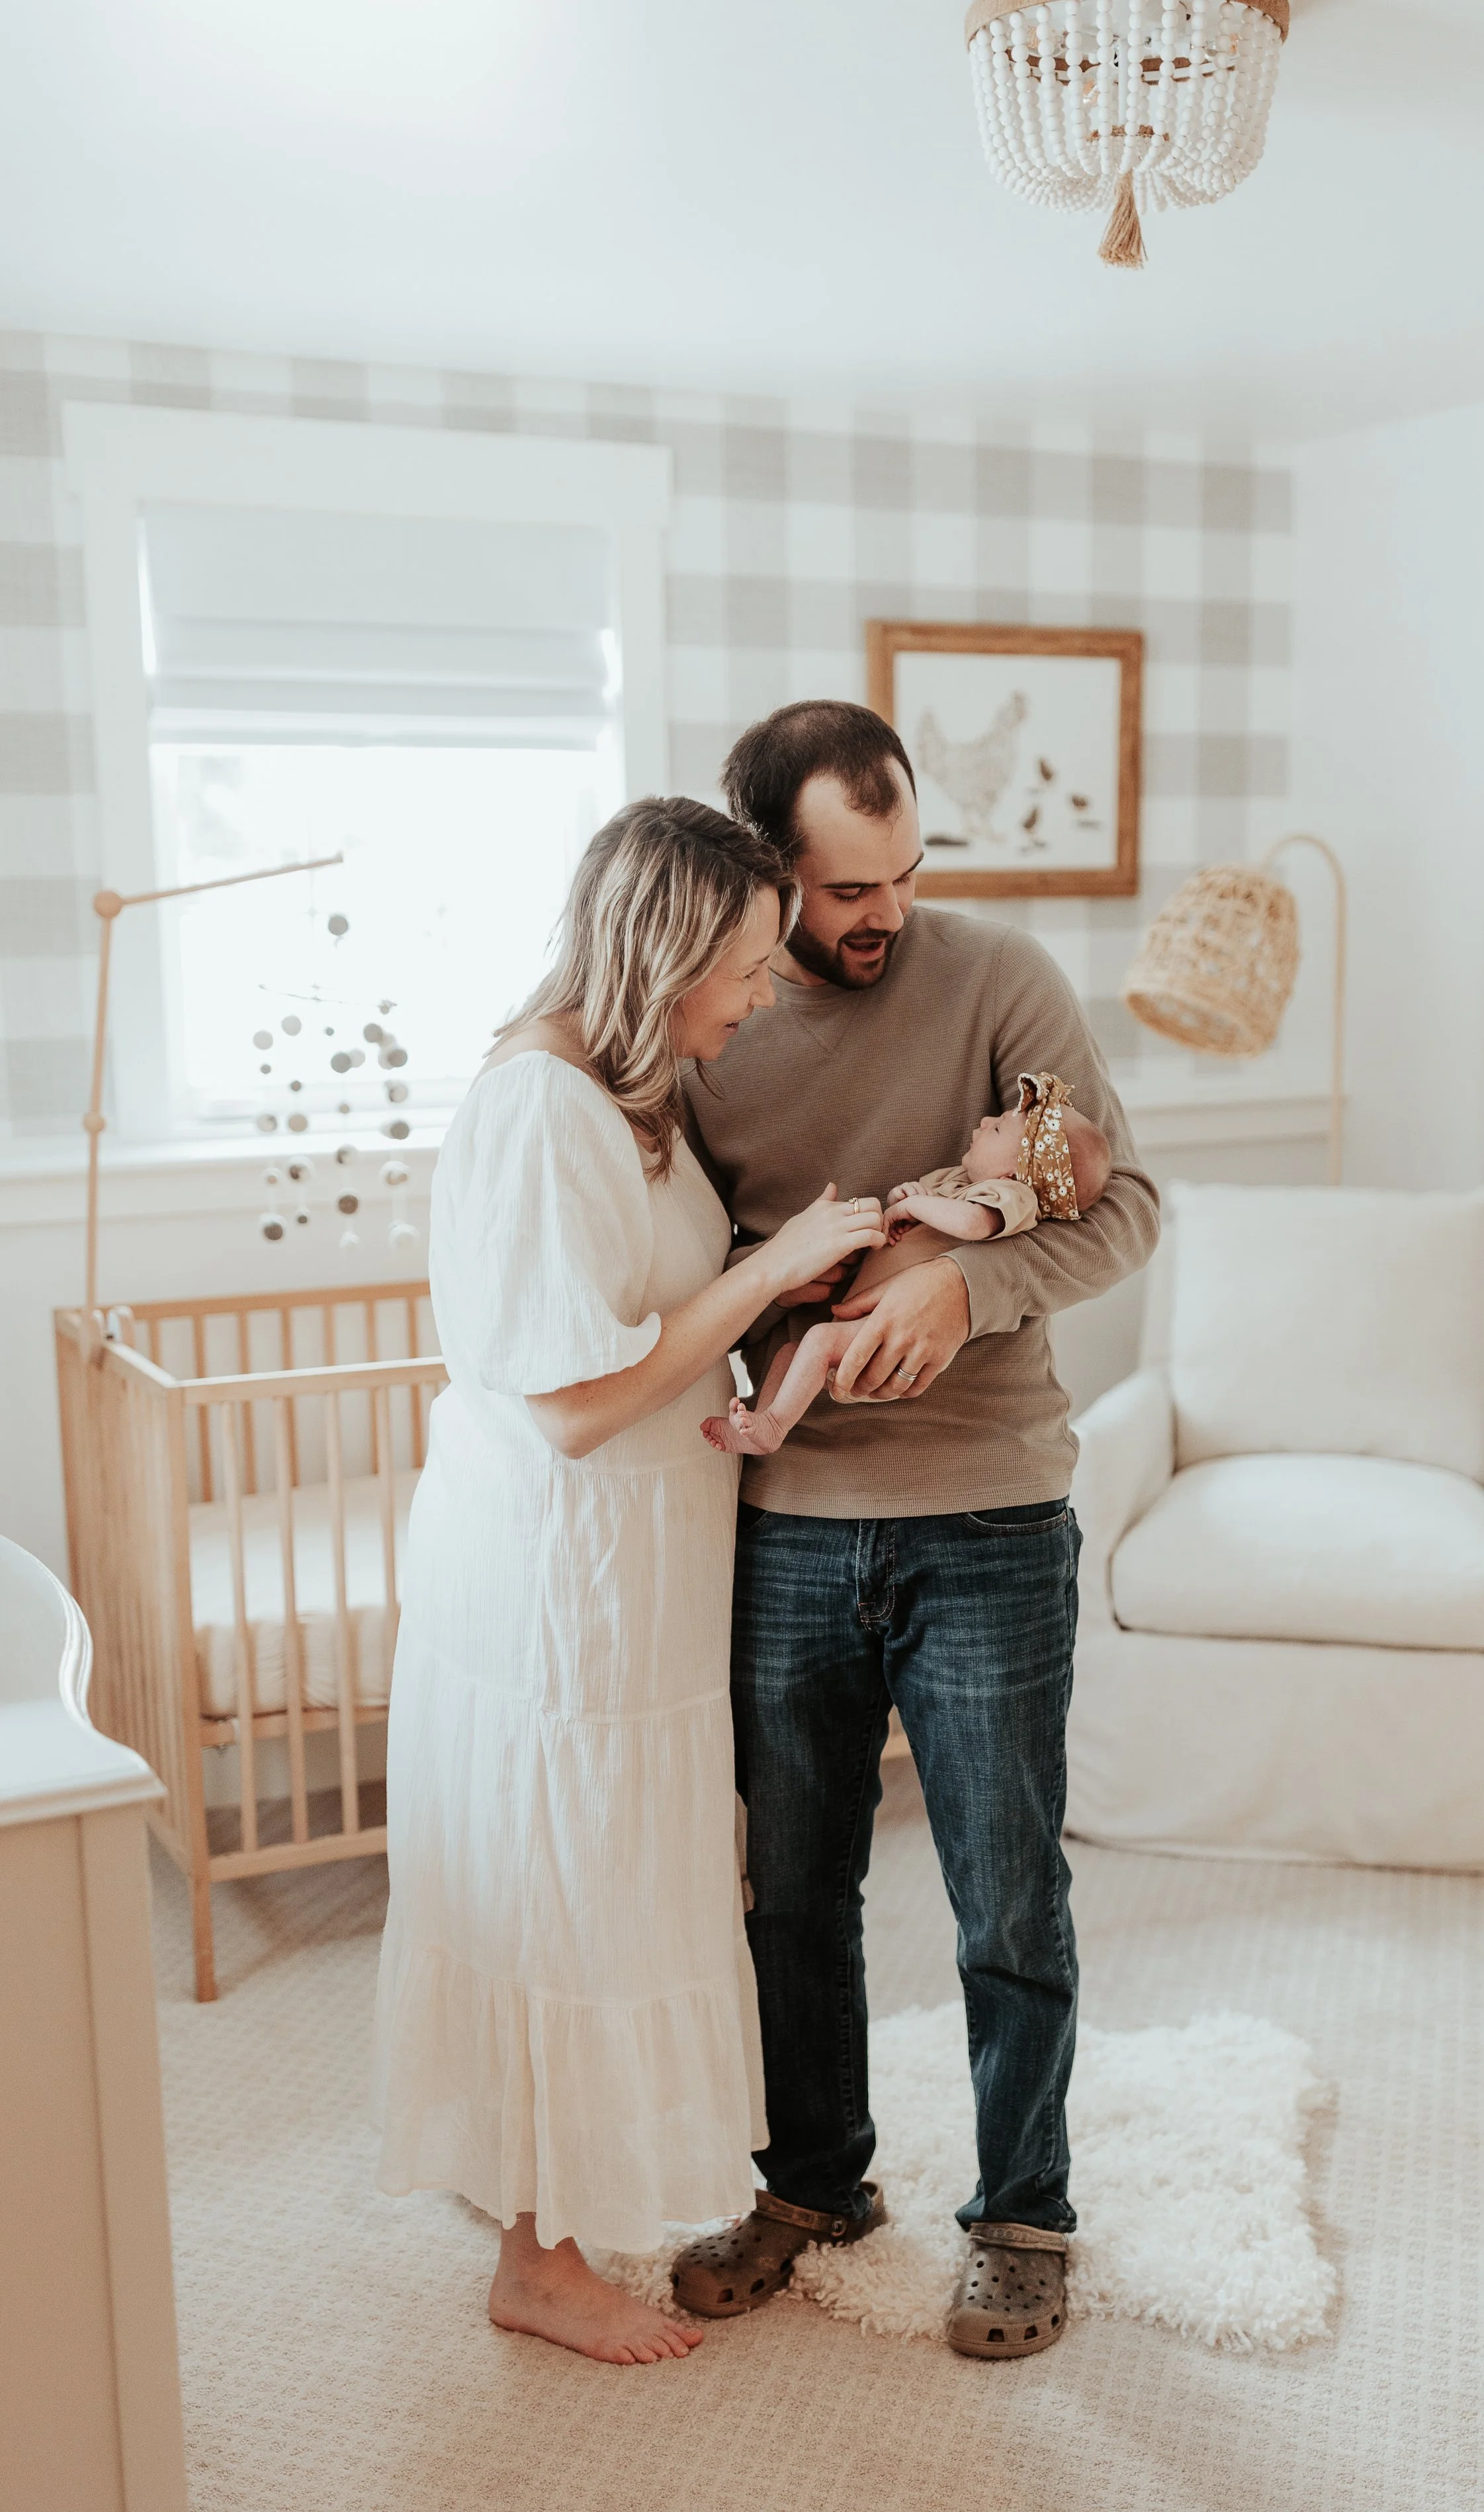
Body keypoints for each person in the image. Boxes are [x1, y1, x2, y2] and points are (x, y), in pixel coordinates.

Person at [670, 703, 1160, 2360]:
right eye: (843, 888)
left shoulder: (1000, 975)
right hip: (787, 1520)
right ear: (763, 868)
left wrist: (967, 1282)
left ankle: (1023, 2213)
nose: (886, 911)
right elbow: (680, 1266)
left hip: (990, 1513)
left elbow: (1120, 1199)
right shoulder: (711, 1022)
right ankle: (813, 2182)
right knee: (793, 1890)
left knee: (1006, 1895)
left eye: (905, 871)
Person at [371, 796, 888, 2368]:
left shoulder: (631, 1095)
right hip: (557, 1579)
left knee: (603, 1881)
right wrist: (767, 1269)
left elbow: (637, 1325)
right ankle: (537, 2260)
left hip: (634, 1570)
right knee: (562, 1883)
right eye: (744, 962)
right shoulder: (543, 1107)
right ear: (662, 951)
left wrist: (767, 1326)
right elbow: (575, 1402)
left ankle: (551, 2203)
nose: (763, 990)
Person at [700, 1071, 1113, 1459]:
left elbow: (971, 1224)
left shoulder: (1012, 1196)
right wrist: (907, 1198)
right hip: (870, 1315)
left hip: (891, 1328)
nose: (987, 1120)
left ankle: (774, 1425)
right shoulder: (962, 1181)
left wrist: (916, 1205)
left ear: (1014, 1172)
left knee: (817, 1342)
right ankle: (763, 1415)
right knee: (793, 1352)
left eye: (999, 1129)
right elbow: (927, 1214)